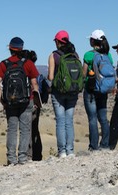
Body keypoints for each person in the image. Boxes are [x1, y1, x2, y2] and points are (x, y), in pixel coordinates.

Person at [0, 37, 39, 165]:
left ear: (10, 49)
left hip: (10, 102)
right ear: (21, 48)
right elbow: (34, 82)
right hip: (26, 101)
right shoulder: (28, 63)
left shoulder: (4, 64)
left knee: (12, 129)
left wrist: (2, 100)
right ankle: (23, 157)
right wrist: (35, 99)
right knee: (25, 129)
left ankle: (11, 158)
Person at [48, 30, 80, 158]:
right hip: (73, 92)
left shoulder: (53, 56)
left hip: (58, 93)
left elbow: (50, 77)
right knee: (69, 121)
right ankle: (70, 150)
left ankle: (62, 152)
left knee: (60, 121)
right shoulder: (75, 55)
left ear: (58, 42)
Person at [82, 29, 113, 151]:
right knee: (103, 118)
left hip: (91, 90)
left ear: (93, 41)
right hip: (103, 89)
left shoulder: (88, 55)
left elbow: (84, 73)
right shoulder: (108, 55)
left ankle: (93, 146)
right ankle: (105, 144)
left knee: (92, 119)